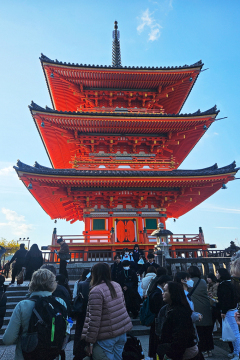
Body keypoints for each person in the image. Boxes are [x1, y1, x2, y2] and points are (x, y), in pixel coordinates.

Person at [2, 269, 66, 360]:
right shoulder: (60, 303)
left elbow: (7, 339)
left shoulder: (23, 305)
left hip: (26, 356)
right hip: (53, 355)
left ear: (32, 283)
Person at [81, 263, 132, 360]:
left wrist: (90, 342)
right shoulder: (116, 285)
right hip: (121, 332)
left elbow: (94, 319)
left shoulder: (96, 291)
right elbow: (123, 307)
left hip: (106, 335)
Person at [156, 282, 201, 360]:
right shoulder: (167, 309)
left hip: (184, 354)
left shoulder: (179, 312)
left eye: (165, 291)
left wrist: (171, 354)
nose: (162, 293)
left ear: (173, 293)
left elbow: (180, 339)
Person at [188, 266, 213, 358]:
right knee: (207, 330)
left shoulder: (189, 282)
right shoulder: (202, 281)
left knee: (199, 331)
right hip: (206, 307)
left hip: (196, 307)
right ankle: (209, 349)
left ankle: (203, 350)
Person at [216, 268, 240, 360]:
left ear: (222, 274)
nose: (216, 274)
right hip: (233, 309)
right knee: (234, 332)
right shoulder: (230, 283)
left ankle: (237, 354)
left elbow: (225, 300)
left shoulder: (224, 285)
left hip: (229, 311)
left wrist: (223, 311)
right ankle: (235, 352)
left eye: (217, 273)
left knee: (235, 333)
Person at [148, 275, 171, 360]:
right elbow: (157, 309)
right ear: (164, 283)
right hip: (158, 321)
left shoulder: (155, 291)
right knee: (157, 343)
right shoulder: (157, 294)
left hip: (156, 320)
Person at [73, 270, 92, 360]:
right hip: (88, 312)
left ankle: (78, 350)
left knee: (80, 332)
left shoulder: (80, 284)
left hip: (81, 312)